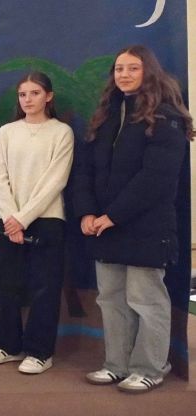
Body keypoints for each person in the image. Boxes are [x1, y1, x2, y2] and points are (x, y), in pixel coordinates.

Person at [74, 45, 192, 393]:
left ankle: (150, 367)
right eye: (119, 68)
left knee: (146, 299)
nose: (124, 74)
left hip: (146, 227)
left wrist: (113, 215)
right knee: (111, 299)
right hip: (104, 226)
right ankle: (117, 365)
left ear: (148, 71)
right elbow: (85, 169)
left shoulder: (166, 117)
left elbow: (156, 179)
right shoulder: (106, 115)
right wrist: (87, 212)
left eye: (133, 68)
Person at [0, 71, 73, 374]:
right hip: (7, 220)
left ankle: (40, 352)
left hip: (46, 219)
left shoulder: (61, 132)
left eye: (35, 93)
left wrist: (23, 219)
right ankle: (8, 345)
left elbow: (55, 181)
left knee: (44, 289)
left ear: (48, 96)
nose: (28, 99)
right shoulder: (7, 132)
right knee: (4, 285)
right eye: (23, 94)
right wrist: (12, 218)